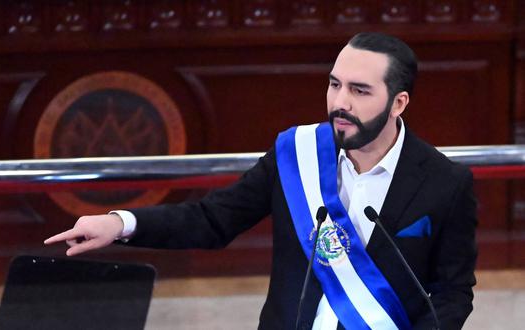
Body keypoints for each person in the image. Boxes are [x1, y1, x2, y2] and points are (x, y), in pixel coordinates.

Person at [45, 32, 477, 329]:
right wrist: (120, 223)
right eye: (334, 85)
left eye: (360, 91)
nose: (340, 103)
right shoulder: (298, 154)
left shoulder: (445, 182)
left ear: (398, 102)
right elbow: (212, 220)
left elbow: (452, 291)